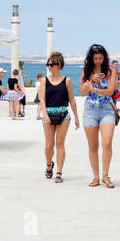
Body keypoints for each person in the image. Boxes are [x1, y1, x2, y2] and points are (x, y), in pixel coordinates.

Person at [37, 51, 79, 183]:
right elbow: (42, 100)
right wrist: (45, 115)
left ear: (59, 65)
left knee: (60, 144)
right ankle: (49, 165)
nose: (49, 66)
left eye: (52, 64)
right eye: (48, 64)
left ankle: (59, 173)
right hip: (48, 114)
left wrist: (76, 117)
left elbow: (72, 100)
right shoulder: (44, 80)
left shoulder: (67, 81)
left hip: (63, 114)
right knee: (49, 145)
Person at [80, 44, 118, 188]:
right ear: (91, 58)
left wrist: (94, 88)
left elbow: (110, 91)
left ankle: (105, 176)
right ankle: (96, 177)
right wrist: (92, 80)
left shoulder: (110, 71)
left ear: (105, 58)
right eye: (95, 58)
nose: (98, 61)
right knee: (93, 145)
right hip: (90, 110)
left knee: (107, 142)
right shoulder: (86, 71)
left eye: (100, 58)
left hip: (107, 109)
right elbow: (83, 92)